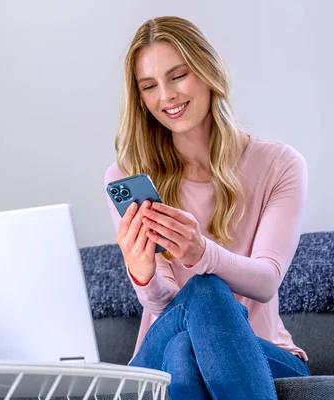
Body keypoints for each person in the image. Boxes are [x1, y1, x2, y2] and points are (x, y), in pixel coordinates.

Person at [103, 16, 310, 399]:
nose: (166, 96)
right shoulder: (127, 175)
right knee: (188, 322)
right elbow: (162, 302)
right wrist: (144, 273)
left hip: (264, 349)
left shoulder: (280, 165)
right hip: (159, 349)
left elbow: (266, 281)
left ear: (207, 69)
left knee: (203, 301)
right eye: (149, 86)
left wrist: (202, 253)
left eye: (178, 76)